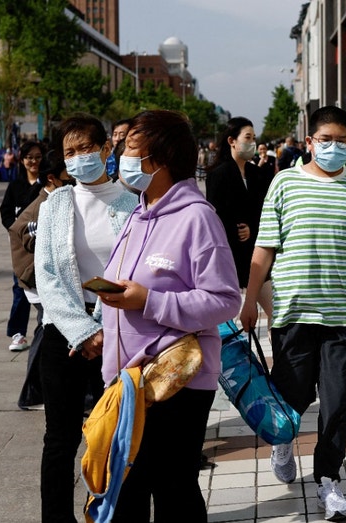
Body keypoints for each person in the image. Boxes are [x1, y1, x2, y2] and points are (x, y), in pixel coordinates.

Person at [240, 105, 346, 522]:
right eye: (326, 140)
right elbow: (265, 246)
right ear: (309, 142)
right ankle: (284, 440)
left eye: (343, 141)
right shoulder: (284, 184)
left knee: (340, 399)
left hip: (344, 315)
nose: (335, 147)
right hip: (293, 312)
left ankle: (328, 478)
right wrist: (250, 300)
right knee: (294, 394)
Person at [93, 110, 240, 522]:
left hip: (178, 380)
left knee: (173, 488)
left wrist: (149, 300)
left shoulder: (197, 217)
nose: (120, 155)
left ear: (158, 159)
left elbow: (225, 299)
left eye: (130, 148)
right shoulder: (136, 215)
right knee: (127, 488)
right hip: (130, 380)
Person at [34, 114, 136, 523]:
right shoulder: (57, 203)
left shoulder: (132, 204)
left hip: (120, 335)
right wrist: (83, 330)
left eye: (85, 149)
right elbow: (48, 276)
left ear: (106, 149)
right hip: (64, 337)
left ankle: (113, 513)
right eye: (69, 152)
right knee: (59, 440)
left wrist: (104, 325)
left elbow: (137, 271)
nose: (78, 158)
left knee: (116, 437)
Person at [9, 150, 74, 410]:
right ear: (52, 179)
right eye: (67, 179)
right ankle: (33, 393)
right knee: (46, 334)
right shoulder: (43, 204)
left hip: (40, 279)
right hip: (37, 281)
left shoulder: (52, 199)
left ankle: (35, 393)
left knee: (44, 332)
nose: (72, 184)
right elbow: (25, 235)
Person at [206, 116, 273, 325]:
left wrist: (252, 229)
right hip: (229, 257)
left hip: (256, 255)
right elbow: (214, 215)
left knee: (277, 312)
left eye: (254, 137)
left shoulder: (257, 173)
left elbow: (266, 210)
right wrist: (235, 231)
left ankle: (280, 352)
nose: (252, 142)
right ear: (231, 141)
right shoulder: (218, 174)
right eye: (247, 137)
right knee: (226, 319)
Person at [0, 141, 47, 352]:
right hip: (21, 249)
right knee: (20, 289)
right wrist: (16, 231)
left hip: (43, 245)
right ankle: (18, 333)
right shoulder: (16, 185)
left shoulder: (47, 183)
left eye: (38, 157)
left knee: (43, 291)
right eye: (29, 157)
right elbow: (6, 211)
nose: (33, 161)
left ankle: (44, 328)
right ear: (22, 160)